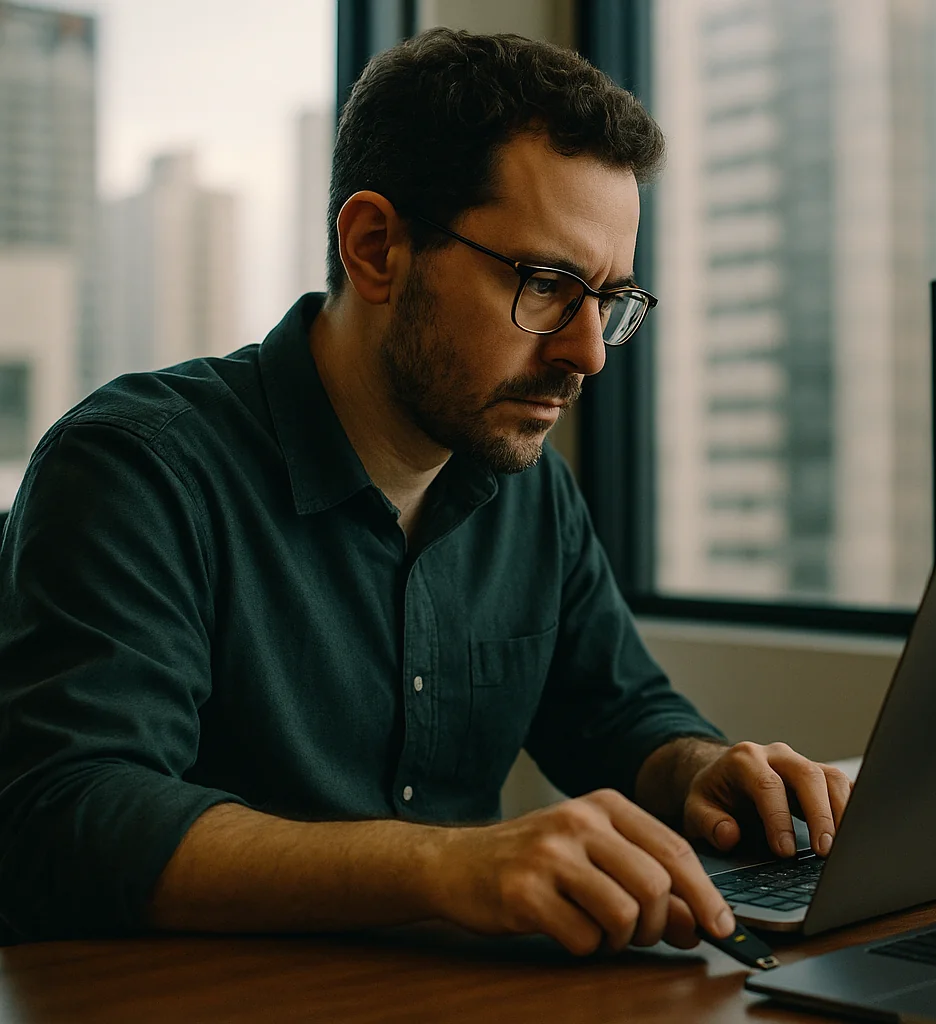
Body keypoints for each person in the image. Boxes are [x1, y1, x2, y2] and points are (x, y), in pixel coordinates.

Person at [0, 29, 850, 954]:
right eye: (547, 284)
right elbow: (68, 816)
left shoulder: (528, 487)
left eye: (609, 300)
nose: (588, 353)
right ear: (376, 249)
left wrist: (701, 770)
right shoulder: (137, 469)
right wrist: (445, 866)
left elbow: (615, 712)